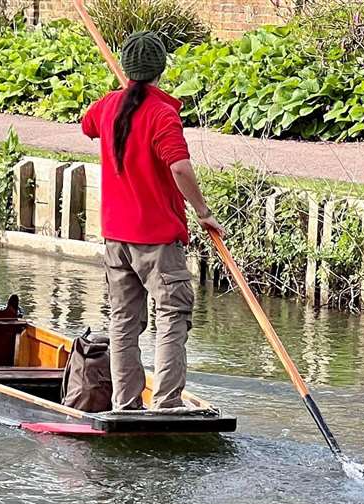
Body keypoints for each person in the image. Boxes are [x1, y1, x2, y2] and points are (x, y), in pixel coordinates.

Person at [81, 32, 225, 411]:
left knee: (124, 322)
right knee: (172, 315)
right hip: (157, 239)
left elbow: (88, 124)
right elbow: (179, 167)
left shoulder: (110, 106)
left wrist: (120, 98)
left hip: (116, 238)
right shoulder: (162, 114)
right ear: (161, 69)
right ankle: (166, 402)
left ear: (128, 69)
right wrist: (204, 212)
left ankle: (125, 403)